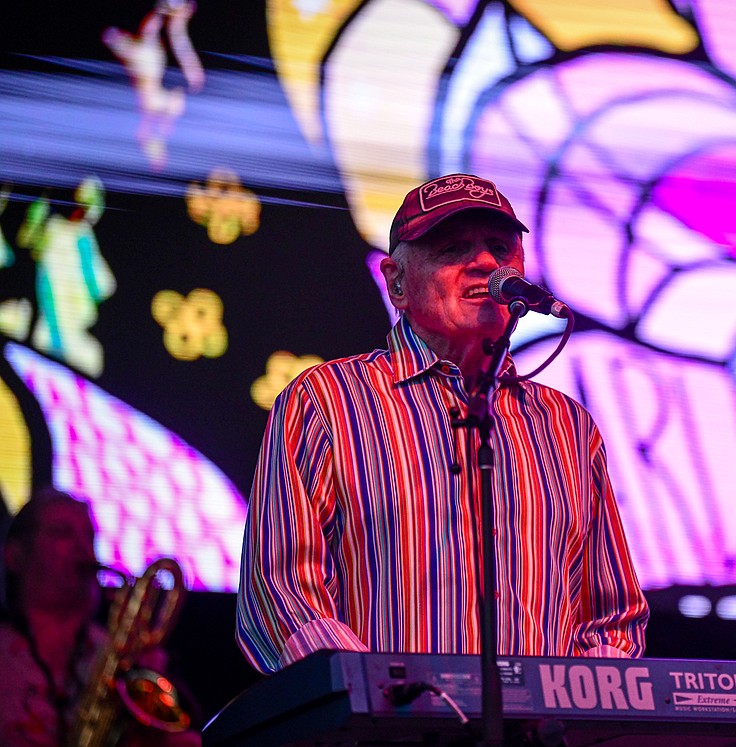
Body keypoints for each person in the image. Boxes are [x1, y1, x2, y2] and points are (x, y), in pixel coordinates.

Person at [236, 173, 649, 673]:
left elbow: (611, 616)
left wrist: (580, 705)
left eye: (500, 247)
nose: (485, 263)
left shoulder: (566, 427)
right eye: (453, 249)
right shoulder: (327, 401)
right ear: (396, 284)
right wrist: (378, 699)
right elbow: (278, 592)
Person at [0, 489, 201, 747]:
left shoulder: (121, 654)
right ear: (15, 555)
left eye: (89, 536)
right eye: (62, 533)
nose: (84, 549)